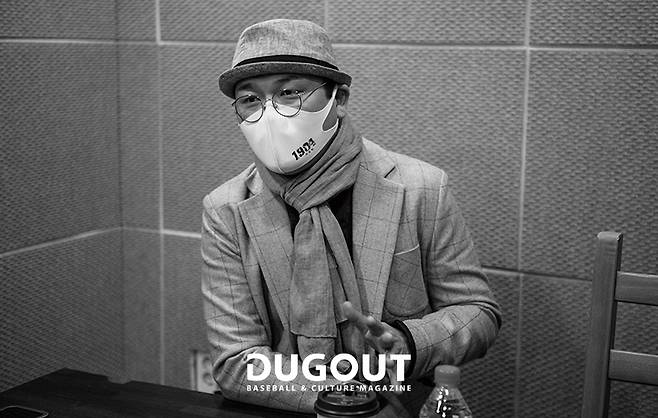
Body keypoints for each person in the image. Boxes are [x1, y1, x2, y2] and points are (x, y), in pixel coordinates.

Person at [201, 18, 501, 416]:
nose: (270, 113)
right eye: (250, 99)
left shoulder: (421, 188)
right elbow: (235, 362)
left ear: (338, 98)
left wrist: (409, 342)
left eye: (289, 92)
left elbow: (478, 313)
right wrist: (348, 400)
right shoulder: (226, 208)